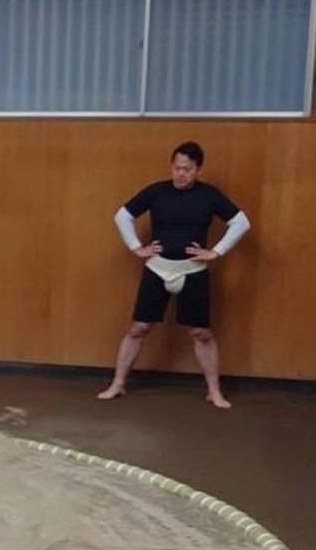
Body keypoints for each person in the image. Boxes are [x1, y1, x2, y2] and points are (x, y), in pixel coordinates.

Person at [97, 141, 251, 409]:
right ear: (172, 166)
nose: (181, 173)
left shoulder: (209, 195)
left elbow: (241, 222)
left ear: (198, 170)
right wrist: (136, 247)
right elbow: (122, 216)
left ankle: (214, 391)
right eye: (177, 168)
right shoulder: (157, 192)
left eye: (187, 169)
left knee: (202, 333)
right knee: (138, 328)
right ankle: (117, 384)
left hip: (193, 271)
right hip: (157, 268)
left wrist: (216, 251)